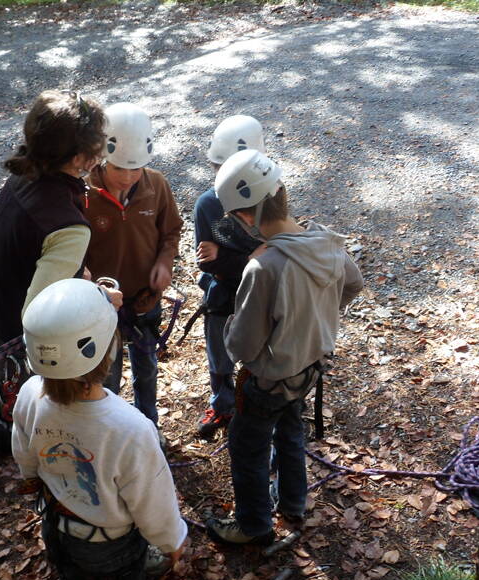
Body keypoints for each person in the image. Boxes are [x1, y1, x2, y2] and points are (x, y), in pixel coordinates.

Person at [205, 149, 363, 544]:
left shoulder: (264, 267)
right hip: (310, 365)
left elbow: (242, 344)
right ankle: (293, 502)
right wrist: (320, 312)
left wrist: (229, 333)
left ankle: (254, 526)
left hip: (270, 378)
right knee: (290, 429)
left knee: (247, 446)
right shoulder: (326, 244)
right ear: (281, 193)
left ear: (246, 216)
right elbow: (354, 283)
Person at [11, 278, 188, 580]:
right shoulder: (130, 428)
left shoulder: (28, 395)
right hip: (109, 546)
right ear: (110, 350)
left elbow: (25, 455)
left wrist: (33, 479)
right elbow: (152, 500)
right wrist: (170, 541)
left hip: (56, 524)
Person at [0, 89, 121, 349]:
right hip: (35, 357)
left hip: (0, 323)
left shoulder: (23, 176)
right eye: (98, 144)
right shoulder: (69, 229)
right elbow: (40, 318)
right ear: (79, 157)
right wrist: (101, 298)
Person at [83, 102, 183, 438]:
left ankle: (147, 427)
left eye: (135, 169)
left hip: (143, 299)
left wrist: (164, 262)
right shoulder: (84, 195)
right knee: (106, 373)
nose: (127, 178)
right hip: (101, 302)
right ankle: (111, 432)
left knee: (146, 366)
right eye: (119, 169)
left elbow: (170, 231)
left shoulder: (157, 186)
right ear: (102, 158)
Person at [194, 115, 266, 439]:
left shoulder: (269, 198)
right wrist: (248, 257)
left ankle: (260, 403)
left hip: (262, 292)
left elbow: (273, 250)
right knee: (219, 356)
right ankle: (222, 404)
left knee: (262, 353)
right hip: (223, 293)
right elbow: (206, 262)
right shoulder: (209, 204)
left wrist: (227, 256)